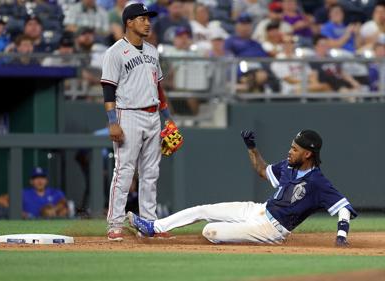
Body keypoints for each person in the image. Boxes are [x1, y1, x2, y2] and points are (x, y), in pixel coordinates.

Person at [128, 129, 357, 247]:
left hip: (273, 229)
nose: (290, 151)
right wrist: (251, 148)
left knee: (211, 231)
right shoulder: (289, 167)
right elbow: (262, 170)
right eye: (291, 147)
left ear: (308, 154)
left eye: (295, 149)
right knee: (202, 210)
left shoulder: (317, 182)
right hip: (258, 209)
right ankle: (153, 227)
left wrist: (341, 235)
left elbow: (343, 208)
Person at [100, 3, 177, 241]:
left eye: (148, 18)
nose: (147, 22)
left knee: (151, 173)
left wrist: (169, 120)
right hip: (128, 114)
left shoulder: (153, 50)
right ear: (129, 22)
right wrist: (112, 121)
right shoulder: (115, 52)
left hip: (153, 114)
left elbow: (159, 88)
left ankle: (149, 225)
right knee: (124, 171)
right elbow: (108, 89)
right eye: (142, 18)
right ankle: (115, 224)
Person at [0, 167, 68, 219]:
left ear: (46, 180)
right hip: (28, 225)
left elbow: (64, 202)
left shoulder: (54, 192)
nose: (40, 180)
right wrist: (18, 212)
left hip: (51, 225)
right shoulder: (24, 193)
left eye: (42, 177)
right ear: (31, 181)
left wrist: (55, 209)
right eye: (36, 178)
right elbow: (0, 199)